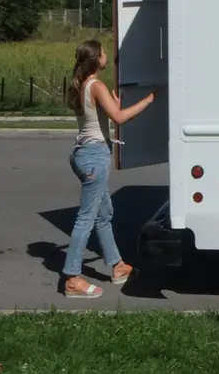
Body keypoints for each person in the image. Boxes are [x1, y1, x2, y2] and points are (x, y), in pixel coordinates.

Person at [63, 39, 155, 298]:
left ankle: (117, 266)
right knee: (87, 218)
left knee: (103, 214)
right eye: (103, 52)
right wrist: (149, 99)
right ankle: (71, 278)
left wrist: (111, 104)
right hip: (94, 157)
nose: (106, 55)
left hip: (85, 153)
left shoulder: (83, 84)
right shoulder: (97, 85)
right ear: (96, 59)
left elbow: (103, 114)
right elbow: (120, 118)